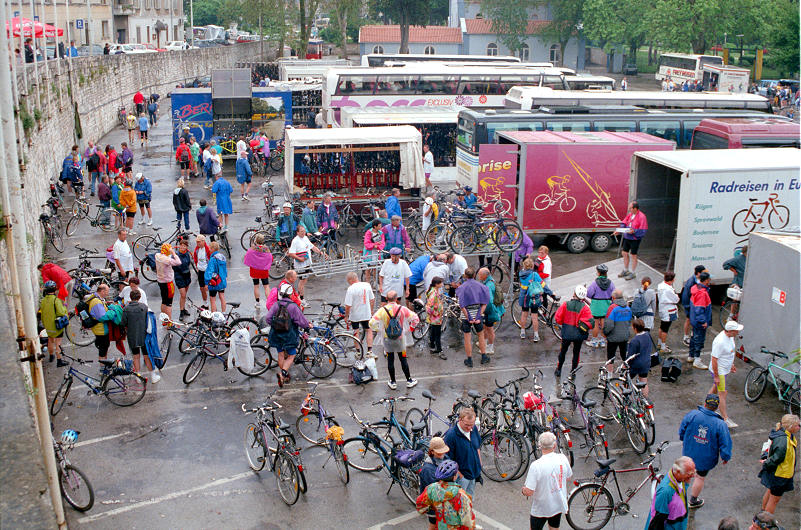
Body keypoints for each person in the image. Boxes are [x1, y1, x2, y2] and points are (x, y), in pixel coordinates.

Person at [678, 393, 732, 511]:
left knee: (685, 474)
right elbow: (725, 442)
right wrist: (725, 456)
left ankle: (678, 497)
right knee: (700, 478)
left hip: (689, 452)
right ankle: (693, 500)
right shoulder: (720, 424)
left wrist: (683, 439)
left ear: (705, 403)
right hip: (706, 458)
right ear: (717, 407)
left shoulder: (692, 415)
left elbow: (682, 430)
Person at [522, 431, 573, 530]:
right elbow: (568, 477)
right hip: (557, 504)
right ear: (554, 445)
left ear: (540, 446)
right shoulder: (563, 458)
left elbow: (529, 492)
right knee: (554, 527)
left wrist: (523, 490)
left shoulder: (536, 466)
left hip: (541, 508)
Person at [369, 290, 419, 389]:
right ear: (396, 299)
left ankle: (393, 382)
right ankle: (409, 380)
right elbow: (415, 319)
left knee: (390, 360)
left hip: (387, 340)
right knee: (403, 359)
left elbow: (371, 323)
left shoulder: (382, 310)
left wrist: (379, 330)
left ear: (386, 299)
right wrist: (409, 329)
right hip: (400, 339)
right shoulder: (402, 309)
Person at [266, 279, 311, 388]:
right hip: (289, 335)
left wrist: (276, 325)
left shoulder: (276, 305)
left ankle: (284, 375)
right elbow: (301, 321)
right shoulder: (293, 306)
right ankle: (283, 374)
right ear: (290, 294)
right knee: (291, 355)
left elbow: (268, 318)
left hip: (276, 334)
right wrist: (307, 326)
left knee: (281, 354)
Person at [415, 460, 476, 530]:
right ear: (455, 476)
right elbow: (468, 522)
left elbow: (420, 508)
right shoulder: (462, 496)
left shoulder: (431, 489)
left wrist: (436, 506)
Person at [758, 414, 800, 514]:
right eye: (797, 425)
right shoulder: (784, 440)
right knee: (774, 500)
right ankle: (766, 521)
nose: (799, 427)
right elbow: (777, 458)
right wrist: (767, 464)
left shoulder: (781, 434)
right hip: (781, 475)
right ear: (790, 427)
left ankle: (762, 513)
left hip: (776, 473)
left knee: (769, 492)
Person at [644, 456, 696, 530]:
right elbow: (658, 520)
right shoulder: (665, 491)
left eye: (694, 472)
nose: (693, 476)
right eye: (689, 473)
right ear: (678, 472)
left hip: (679, 523)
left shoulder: (680, 478)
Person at [121, 290, 160, 382]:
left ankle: (138, 376)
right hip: (144, 336)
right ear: (139, 297)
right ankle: (153, 376)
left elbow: (123, 323)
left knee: (136, 356)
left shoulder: (126, 309)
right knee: (147, 356)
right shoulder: (144, 307)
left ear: (130, 297)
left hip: (132, 336)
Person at [554, 285, 593, 378]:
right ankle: (573, 372)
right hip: (579, 335)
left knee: (563, 352)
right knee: (576, 353)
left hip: (566, 333)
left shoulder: (565, 304)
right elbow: (591, 323)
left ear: (574, 293)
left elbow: (558, 319)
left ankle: (559, 369)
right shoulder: (585, 308)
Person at [710, 320, 744, 428]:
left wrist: (731, 364)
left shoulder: (730, 337)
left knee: (715, 388)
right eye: (736, 330)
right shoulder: (720, 342)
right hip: (719, 371)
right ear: (730, 331)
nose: (738, 332)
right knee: (722, 394)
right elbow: (714, 359)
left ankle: (706, 407)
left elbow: (729, 353)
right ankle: (725, 418)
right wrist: (716, 376)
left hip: (723, 370)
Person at [443, 408, 482, 498]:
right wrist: (460, 475)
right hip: (462, 477)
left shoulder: (474, 429)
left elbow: (477, 446)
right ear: (460, 420)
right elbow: (447, 458)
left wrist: (479, 464)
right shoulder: (451, 436)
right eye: (467, 425)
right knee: (459, 502)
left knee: (469, 499)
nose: (469, 428)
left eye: (471, 425)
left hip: (473, 473)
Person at [456, 267, 490, 368]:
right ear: (474, 275)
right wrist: (478, 315)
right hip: (478, 312)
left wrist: (469, 317)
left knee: (467, 337)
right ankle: (484, 356)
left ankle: (469, 359)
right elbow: (485, 303)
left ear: (465, 276)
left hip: (466, 315)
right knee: (481, 335)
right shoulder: (481, 286)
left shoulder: (462, 287)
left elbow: (462, 305)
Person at [418, 437, 452, 530]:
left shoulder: (445, 457)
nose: (442, 454)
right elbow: (435, 491)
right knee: (434, 525)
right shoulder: (428, 469)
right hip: (433, 505)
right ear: (432, 452)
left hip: (444, 500)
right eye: (439, 452)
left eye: (443, 451)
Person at [288, 225, 326, 301]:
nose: (303, 233)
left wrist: (322, 253)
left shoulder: (305, 238)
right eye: (301, 231)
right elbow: (291, 253)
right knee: (302, 281)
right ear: (297, 232)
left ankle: (300, 298)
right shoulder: (295, 241)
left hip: (307, 263)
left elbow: (312, 247)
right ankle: (301, 299)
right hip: (300, 265)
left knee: (304, 280)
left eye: (304, 231)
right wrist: (300, 259)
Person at [344, 272, 376, 354]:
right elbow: (372, 300)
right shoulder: (367, 285)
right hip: (366, 313)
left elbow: (348, 305)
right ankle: (370, 351)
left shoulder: (351, 289)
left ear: (350, 280)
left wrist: (346, 316)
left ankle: (358, 351)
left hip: (355, 314)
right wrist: (371, 310)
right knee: (369, 330)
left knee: (356, 331)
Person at [40, 281, 68, 366]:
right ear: (54, 289)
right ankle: (59, 360)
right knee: (58, 343)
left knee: (50, 341)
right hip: (56, 326)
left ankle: (51, 356)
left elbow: (42, 314)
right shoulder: (56, 300)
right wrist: (65, 309)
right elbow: (61, 313)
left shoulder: (43, 300)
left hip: (47, 326)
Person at [617, 201, 648, 280]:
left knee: (633, 255)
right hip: (627, 237)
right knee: (624, 253)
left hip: (635, 239)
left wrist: (634, 231)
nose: (629, 209)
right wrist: (620, 229)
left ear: (635, 208)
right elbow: (624, 222)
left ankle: (633, 272)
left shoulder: (642, 216)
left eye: (630, 208)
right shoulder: (630, 215)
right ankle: (626, 270)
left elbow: (643, 230)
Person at [603, 289, 632, 371]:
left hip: (613, 337)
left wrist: (605, 332)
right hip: (624, 336)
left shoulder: (612, 308)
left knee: (610, 357)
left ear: (613, 297)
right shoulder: (627, 308)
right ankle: (626, 374)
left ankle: (610, 375)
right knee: (624, 356)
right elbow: (629, 322)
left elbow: (609, 324)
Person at [689, 271, 712, 370]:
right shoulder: (702, 293)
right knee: (699, 340)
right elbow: (700, 310)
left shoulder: (695, 288)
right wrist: (703, 321)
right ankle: (697, 360)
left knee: (694, 338)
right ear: (706, 281)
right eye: (709, 279)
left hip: (694, 320)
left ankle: (691, 356)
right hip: (699, 322)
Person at [87, 284, 116, 362]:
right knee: (103, 349)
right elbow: (102, 317)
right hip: (101, 329)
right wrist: (112, 312)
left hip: (99, 328)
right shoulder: (96, 302)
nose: (108, 293)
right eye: (107, 291)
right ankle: (102, 367)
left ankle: (105, 363)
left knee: (104, 347)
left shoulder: (96, 297)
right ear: (102, 291)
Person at [587, 264, 614, 348]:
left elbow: (589, 294)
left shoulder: (595, 283)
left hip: (596, 306)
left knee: (595, 324)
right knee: (603, 324)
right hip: (606, 306)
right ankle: (602, 341)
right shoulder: (610, 283)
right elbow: (613, 294)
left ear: (598, 273)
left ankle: (594, 341)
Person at [478, 267, 504, 355]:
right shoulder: (490, 281)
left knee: (490, 329)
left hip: (490, 311)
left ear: (485, 276)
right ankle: (484, 342)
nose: (478, 276)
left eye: (480, 274)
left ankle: (490, 347)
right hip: (490, 310)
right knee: (486, 327)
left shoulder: (488, 285)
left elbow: (489, 301)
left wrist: (483, 311)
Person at [518, 258, 545, 342]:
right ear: (532, 265)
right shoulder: (534, 274)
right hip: (533, 298)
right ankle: (536, 335)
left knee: (524, 315)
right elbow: (543, 285)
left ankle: (522, 332)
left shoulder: (521, 273)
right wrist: (550, 293)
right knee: (534, 317)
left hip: (524, 297)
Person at [244, 234, 273, 310]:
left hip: (255, 270)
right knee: (266, 286)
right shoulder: (266, 249)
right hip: (263, 269)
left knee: (256, 286)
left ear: (256, 240)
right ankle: (269, 302)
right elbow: (270, 258)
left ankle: (257, 302)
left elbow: (247, 256)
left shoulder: (253, 248)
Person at [681, 265, 707, 346]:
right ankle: (685, 337)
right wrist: (689, 306)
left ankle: (692, 335)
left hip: (695, 305)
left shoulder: (697, 280)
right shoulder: (691, 282)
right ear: (698, 273)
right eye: (703, 273)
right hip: (690, 305)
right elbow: (686, 296)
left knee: (693, 320)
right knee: (689, 320)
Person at [627, 318, 653, 395]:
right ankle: (645, 399)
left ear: (635, 328)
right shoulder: (648, 335)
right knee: (644, 381)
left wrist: (625, 365)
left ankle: (624, 398)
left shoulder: (634, 341)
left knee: (626, 380)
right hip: (646, 362)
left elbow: (630, 356)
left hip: (636, 364)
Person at [155, 243, 181, 319]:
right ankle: (169, 322)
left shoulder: (157, 256)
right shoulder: (167, 260)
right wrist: (173, 253)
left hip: (160, 281)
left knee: (163, 301)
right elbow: (178, 262)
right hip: (168, 283)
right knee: (169, 304)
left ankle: (164, 320)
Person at [657, 272, 679, 353]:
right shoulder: (668, 289)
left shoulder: (660, 285)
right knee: (665, 329)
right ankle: (663, 347)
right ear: (672, 280)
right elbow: (676, 299)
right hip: (668, 311)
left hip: (662, 309)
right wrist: (677, 297)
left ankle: (659, 343)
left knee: (662, 326)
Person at [425, 277, 446, 359]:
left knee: (433, 331)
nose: (442, 284)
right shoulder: (433, 294)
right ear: (437, 284)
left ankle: (432, 346)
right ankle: (439, 350)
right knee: (437, 334)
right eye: (441, 283)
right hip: (436, 318)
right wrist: (436, 313)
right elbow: (429, 307)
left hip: (434, 317)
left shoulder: (433, 290)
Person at [205, 241, 228, 312]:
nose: (209, 249)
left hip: (214, 282)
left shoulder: (213, 259)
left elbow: (209, 271)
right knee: (222, 297)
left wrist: (206, 282)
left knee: (212, 299)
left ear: (212, 249)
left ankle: (214, 315)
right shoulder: (222, 257)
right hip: (222, 280)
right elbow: (225, 269)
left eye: (210, 248)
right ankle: (224, 313)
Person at [173, 239, 193, 320]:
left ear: (186, 247)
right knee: (183, 294)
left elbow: (188, 263)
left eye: (184, 246)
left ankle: (183, 309)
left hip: (187, 275)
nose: (182, 247)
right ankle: (181, 311)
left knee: (184, 295)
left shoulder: (187, 254)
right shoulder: (176, 255)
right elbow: (174, 265)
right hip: (179, 276)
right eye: (181, 245)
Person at [193, 235, 211, 306]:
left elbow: (210, 259)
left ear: (203, 241)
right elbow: (195, 257)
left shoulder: (207, 249)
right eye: (197, 242)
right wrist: (197, 266)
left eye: (199, 242)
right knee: (202, 288)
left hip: (207, 271)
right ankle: (205, 303)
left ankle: (211, 301)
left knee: (208, 288)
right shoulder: (197, 249)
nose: (198, 244)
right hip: (200, 271)